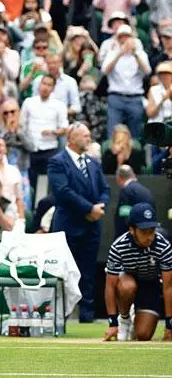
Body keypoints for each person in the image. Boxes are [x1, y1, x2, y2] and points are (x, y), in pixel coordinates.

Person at [47, 123, 110, 323]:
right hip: (68, 224)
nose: (88, 138)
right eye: (84, 135)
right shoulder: (57, 162)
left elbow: (105, 188)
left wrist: (100, 207)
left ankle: (87, 314)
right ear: (71, 138)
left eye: (89, 135)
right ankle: (61, 314)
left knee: (88, 271)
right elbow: (63, 192)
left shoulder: (92, 162)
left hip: (92, 226)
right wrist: (88, 209)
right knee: (63, 271)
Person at [103, 203, 172, 342]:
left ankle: (136, 316)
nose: (149, 236)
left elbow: (168, 287)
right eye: (144, 232)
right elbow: (110, 286)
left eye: (152, 230)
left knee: (143, 335)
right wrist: (112, 323)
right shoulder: (118, 247)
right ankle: (124, 319)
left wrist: (170, 325)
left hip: (151, 286)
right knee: (128, 286)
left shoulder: (163, 246)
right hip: (127, 283)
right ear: (132, 230)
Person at [113, 165, 155, 239]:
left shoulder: (127, 191)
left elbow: (124, 218)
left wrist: (119, 239)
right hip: (148, 233)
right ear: (133, 175)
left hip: (134, 237)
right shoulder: (145, 190)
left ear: (119, 178)